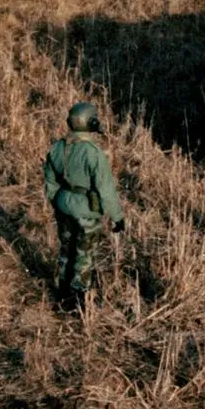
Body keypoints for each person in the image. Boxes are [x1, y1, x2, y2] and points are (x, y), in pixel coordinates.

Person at [43, 101, 124, 307]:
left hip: (63, 203)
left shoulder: (57, 147)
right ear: (91, 122)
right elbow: (105, 188)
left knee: (66, 248)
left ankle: (62, 289)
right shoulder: (93, 152)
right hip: (86, 210)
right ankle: (78, 297)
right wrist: (117, 217)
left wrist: (56, 200)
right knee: (84, 253)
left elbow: (50, 180)